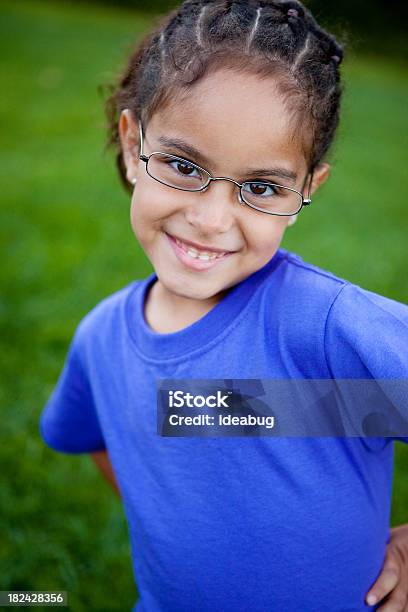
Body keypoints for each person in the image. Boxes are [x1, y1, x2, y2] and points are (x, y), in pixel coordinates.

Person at [39, 1, 408, 610]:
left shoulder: (325, 331)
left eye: (261, 187)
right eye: (184, 167)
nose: (211, 220)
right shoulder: (101, 339)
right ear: (135, 147)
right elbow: (104, 438)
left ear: (306, 189)